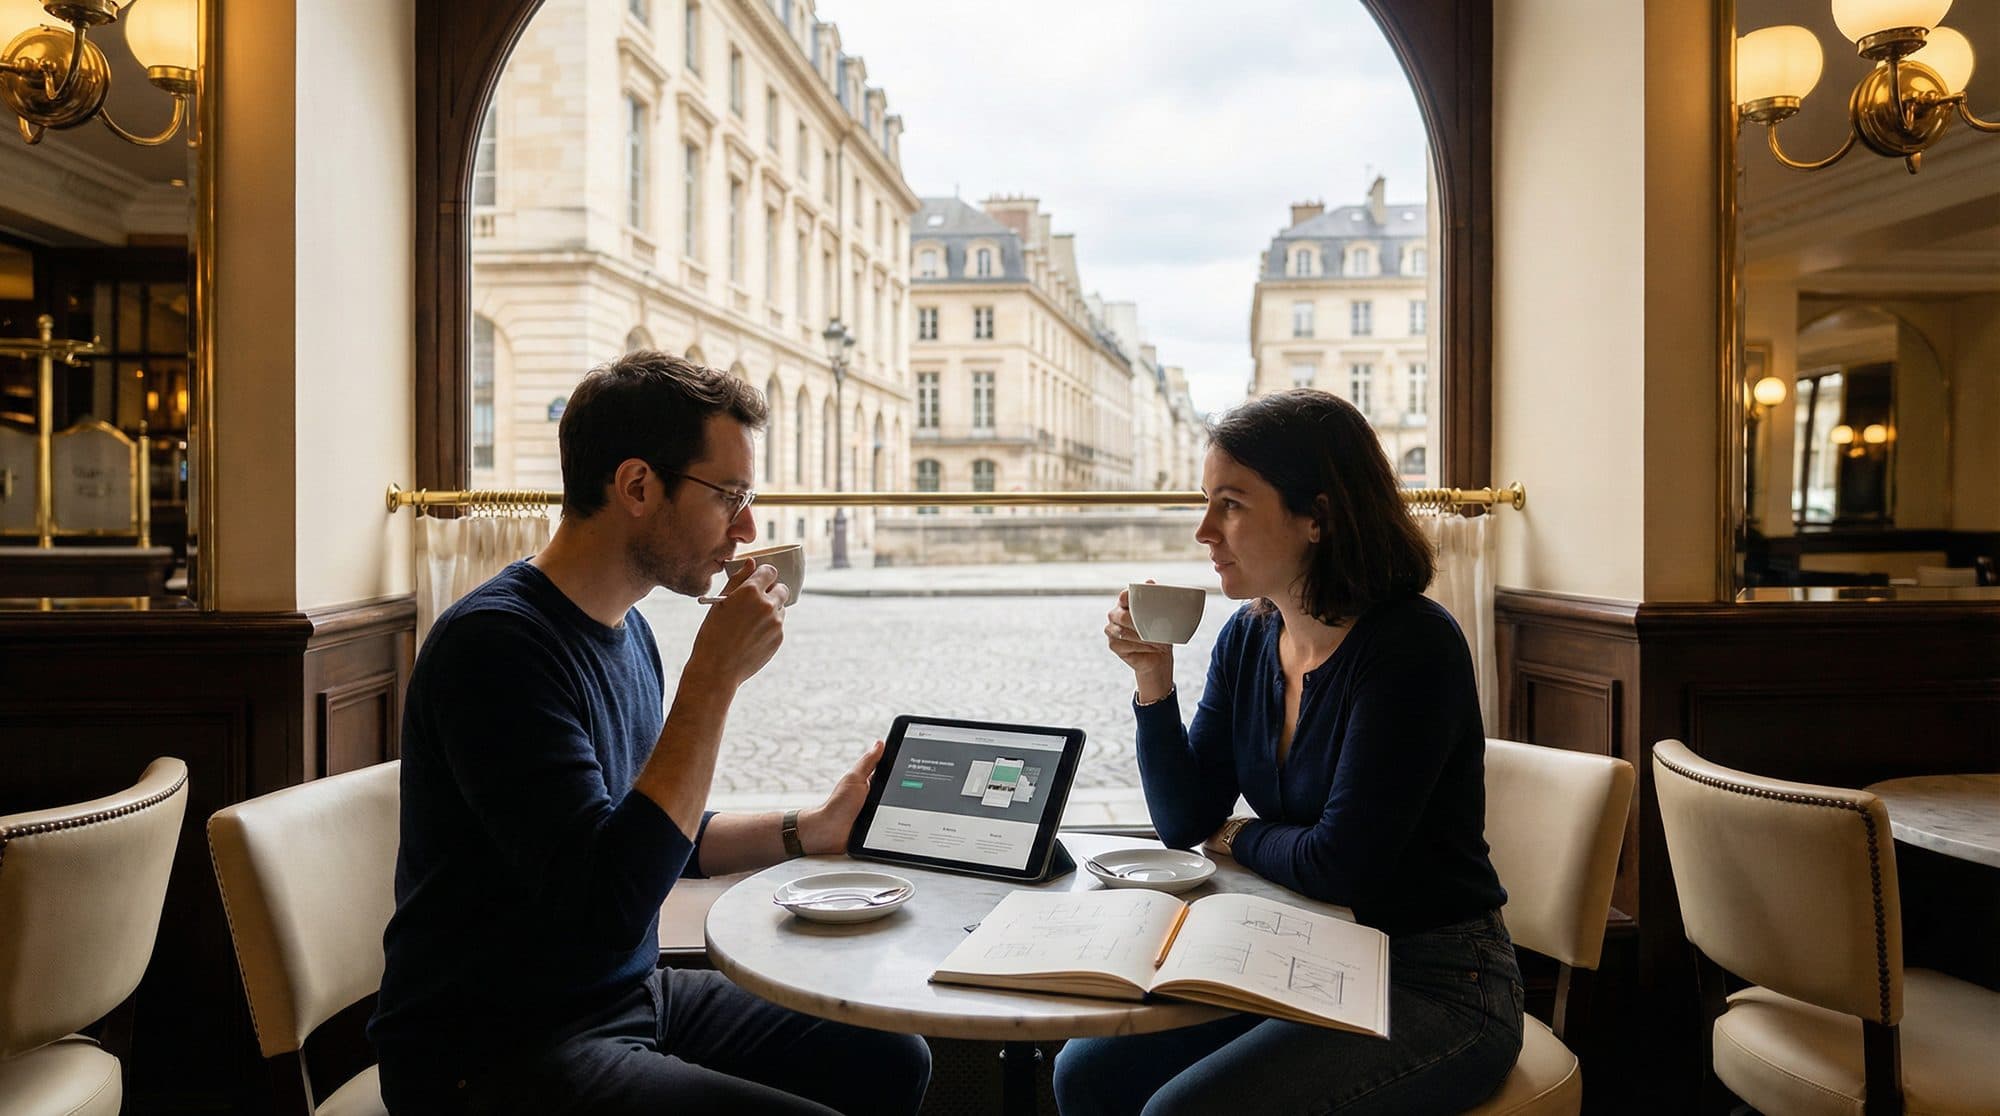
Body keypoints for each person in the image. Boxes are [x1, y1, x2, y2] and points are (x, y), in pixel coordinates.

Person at [369, 352, 931, 1115]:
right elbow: (608, 902)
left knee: (889, 1056)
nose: (748, 527)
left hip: (616, 1000)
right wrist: (712, 682)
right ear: (637, 486)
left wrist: (809, 830)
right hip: (491, 1048)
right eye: (728, 495)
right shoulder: (495, 648)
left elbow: (647, 832)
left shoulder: (628, 631)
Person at [1055, 389, 1521, 1116]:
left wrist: (1237, 834)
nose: (1204, 531)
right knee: (1084, 1074)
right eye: (1207, 501)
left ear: (1319, 516)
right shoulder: (1250, 636)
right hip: (1308, 952)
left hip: (1437, 981)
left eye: (1231, 504)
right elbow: (1184, 820)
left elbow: (1343, 864)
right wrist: (1154, 681)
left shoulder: (1410, 645)